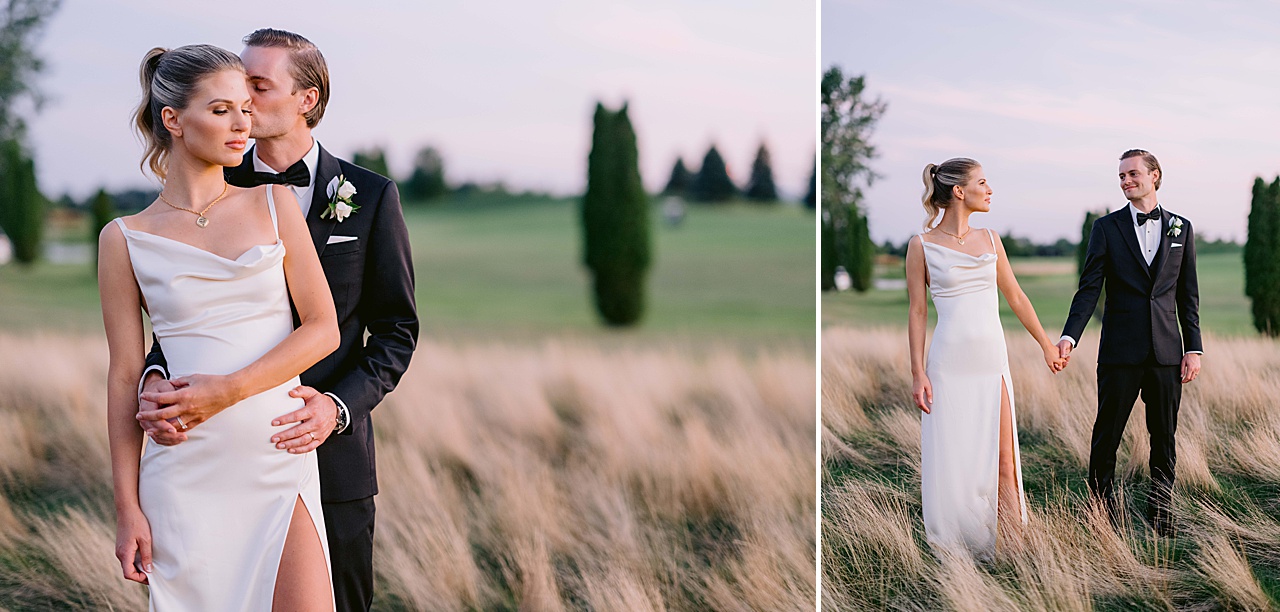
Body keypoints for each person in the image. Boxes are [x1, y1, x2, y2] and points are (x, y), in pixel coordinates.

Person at [135, 29, 418, 612]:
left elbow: (396, 330)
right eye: (235, 89)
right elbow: (183, 314)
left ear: (306, 99)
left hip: (329, 453)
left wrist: (335, 407)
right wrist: (153, 376)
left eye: (257, 87)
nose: (243, 101)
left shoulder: (370, 196)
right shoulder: (214, 193)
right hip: (215, 447)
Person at [102, 44, 339, 610]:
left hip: (276, 457)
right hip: (184, 476)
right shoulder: (124, 238)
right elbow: (124, 377)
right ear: (173, 120)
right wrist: (127, 507)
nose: (242, 125)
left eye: (245, 108)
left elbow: (322, 328)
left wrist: (227, 392)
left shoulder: (274, 204)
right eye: (221, 110)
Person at [905, 157, 1067, 558]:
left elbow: (1016, 296)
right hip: (948, 368)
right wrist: (918, 373)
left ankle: (1011, 551)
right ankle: (963, 545)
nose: (990, 189)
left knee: (1006, 461)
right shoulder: (920, 246)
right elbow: (918, 311)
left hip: (992, 364)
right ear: (959, 191)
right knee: (955, 462)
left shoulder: (992, 239)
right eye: (982, 182)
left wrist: (1046, 345)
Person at [1058, 149, 1201, 537]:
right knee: (1108, 434)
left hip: (1167, 353)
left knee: (1164, 437)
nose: (1125, 181)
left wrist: (1194, 348)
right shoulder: (1106, 228)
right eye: (1121, 176)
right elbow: (1089, 289)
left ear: (1155, 175)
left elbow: (1188, 294)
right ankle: (1102, 512)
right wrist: (1070, 335)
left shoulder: (1181, 228)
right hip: (1120, 352)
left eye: (1132, 174)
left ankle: (1162, 512)